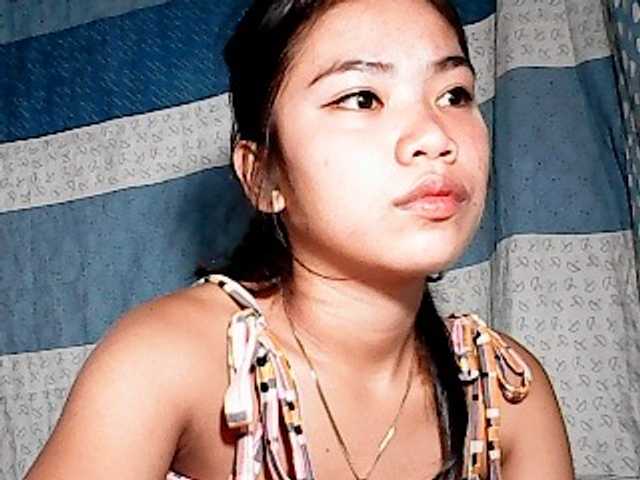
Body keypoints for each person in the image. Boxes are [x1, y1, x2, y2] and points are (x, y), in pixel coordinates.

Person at [25, 0, 574, 479]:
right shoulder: (168, 359)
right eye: (362, 98)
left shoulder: (507, 393)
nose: (434, 136)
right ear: (264, 175)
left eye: (454, 94)